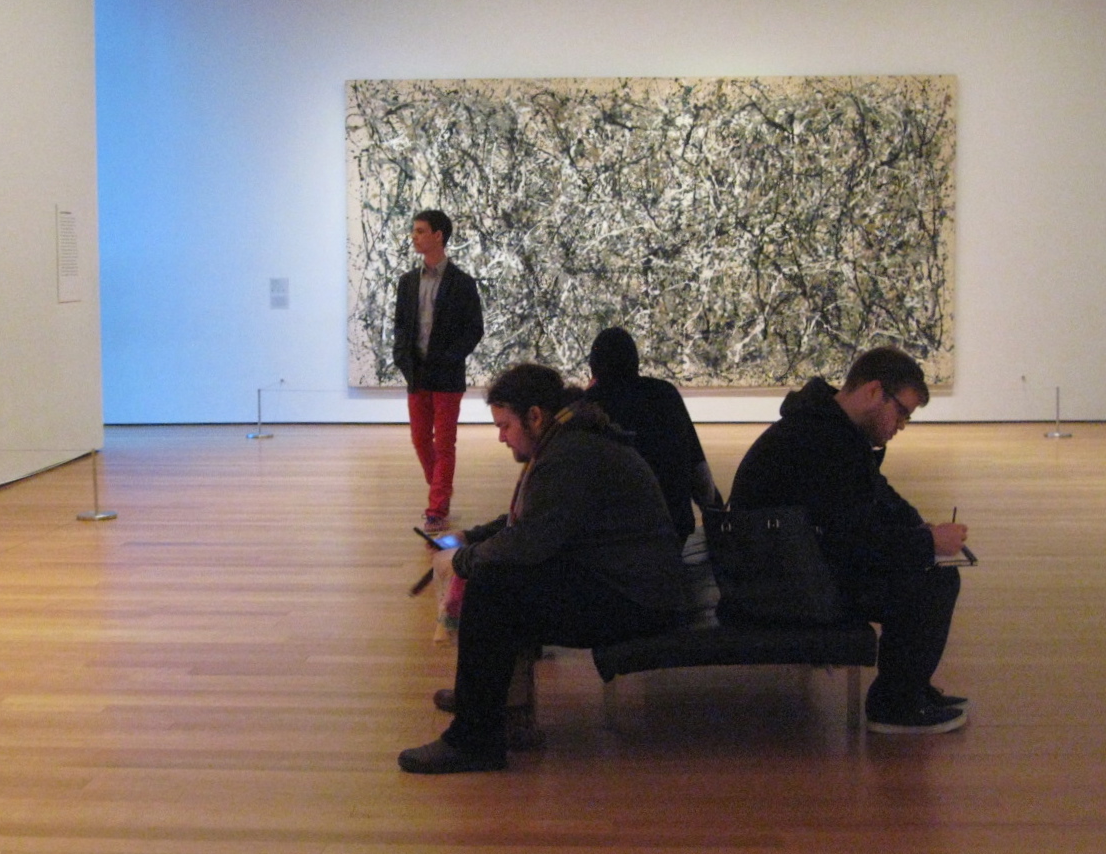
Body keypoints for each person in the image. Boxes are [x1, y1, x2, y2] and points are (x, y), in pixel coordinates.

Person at [398, 363, 687, 774]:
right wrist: (469, 537)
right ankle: (482, 700)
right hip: (630, 583)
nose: (501, 437)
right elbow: (536, 520)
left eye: (505, 426)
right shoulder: (569, 439)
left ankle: (475, 739)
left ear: (535, 415)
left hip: (638, 600)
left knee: (493, 587)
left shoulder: (570, 454)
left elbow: (531, 539)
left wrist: (462, 559)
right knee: (499, 574)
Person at [728, 346, 971, 734]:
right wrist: (926, 544)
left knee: (925, 570)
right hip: (781, 585)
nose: (901, 425)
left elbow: (872, 501)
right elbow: (856, 542)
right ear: (874, 392)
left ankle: (909, 689)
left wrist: (918, 530)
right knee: (934, 582)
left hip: (780, 567)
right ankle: (895, 706)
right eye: (902, 413)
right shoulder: (824, 442)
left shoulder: (829, 428)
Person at [392, 210, 484, 533]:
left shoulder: (462, 283)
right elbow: (401, 326)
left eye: (420, 231)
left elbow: (474, 329)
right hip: (417, 374)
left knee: (444, 444)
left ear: (438, 236)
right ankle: (440, 489)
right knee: (420, 440)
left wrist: (450, 358)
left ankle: (437, 508)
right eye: (414, 231)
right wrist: (402, 358)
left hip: (447, 376)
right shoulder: (407, 282)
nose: (414, 236)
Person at [584, 326, 722, 538]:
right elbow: (699, 471)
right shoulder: (665, 395)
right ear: (635, 361)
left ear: (593, 366)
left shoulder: (587, 405)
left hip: (611, 538)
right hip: (672, 531)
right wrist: (716, 516)